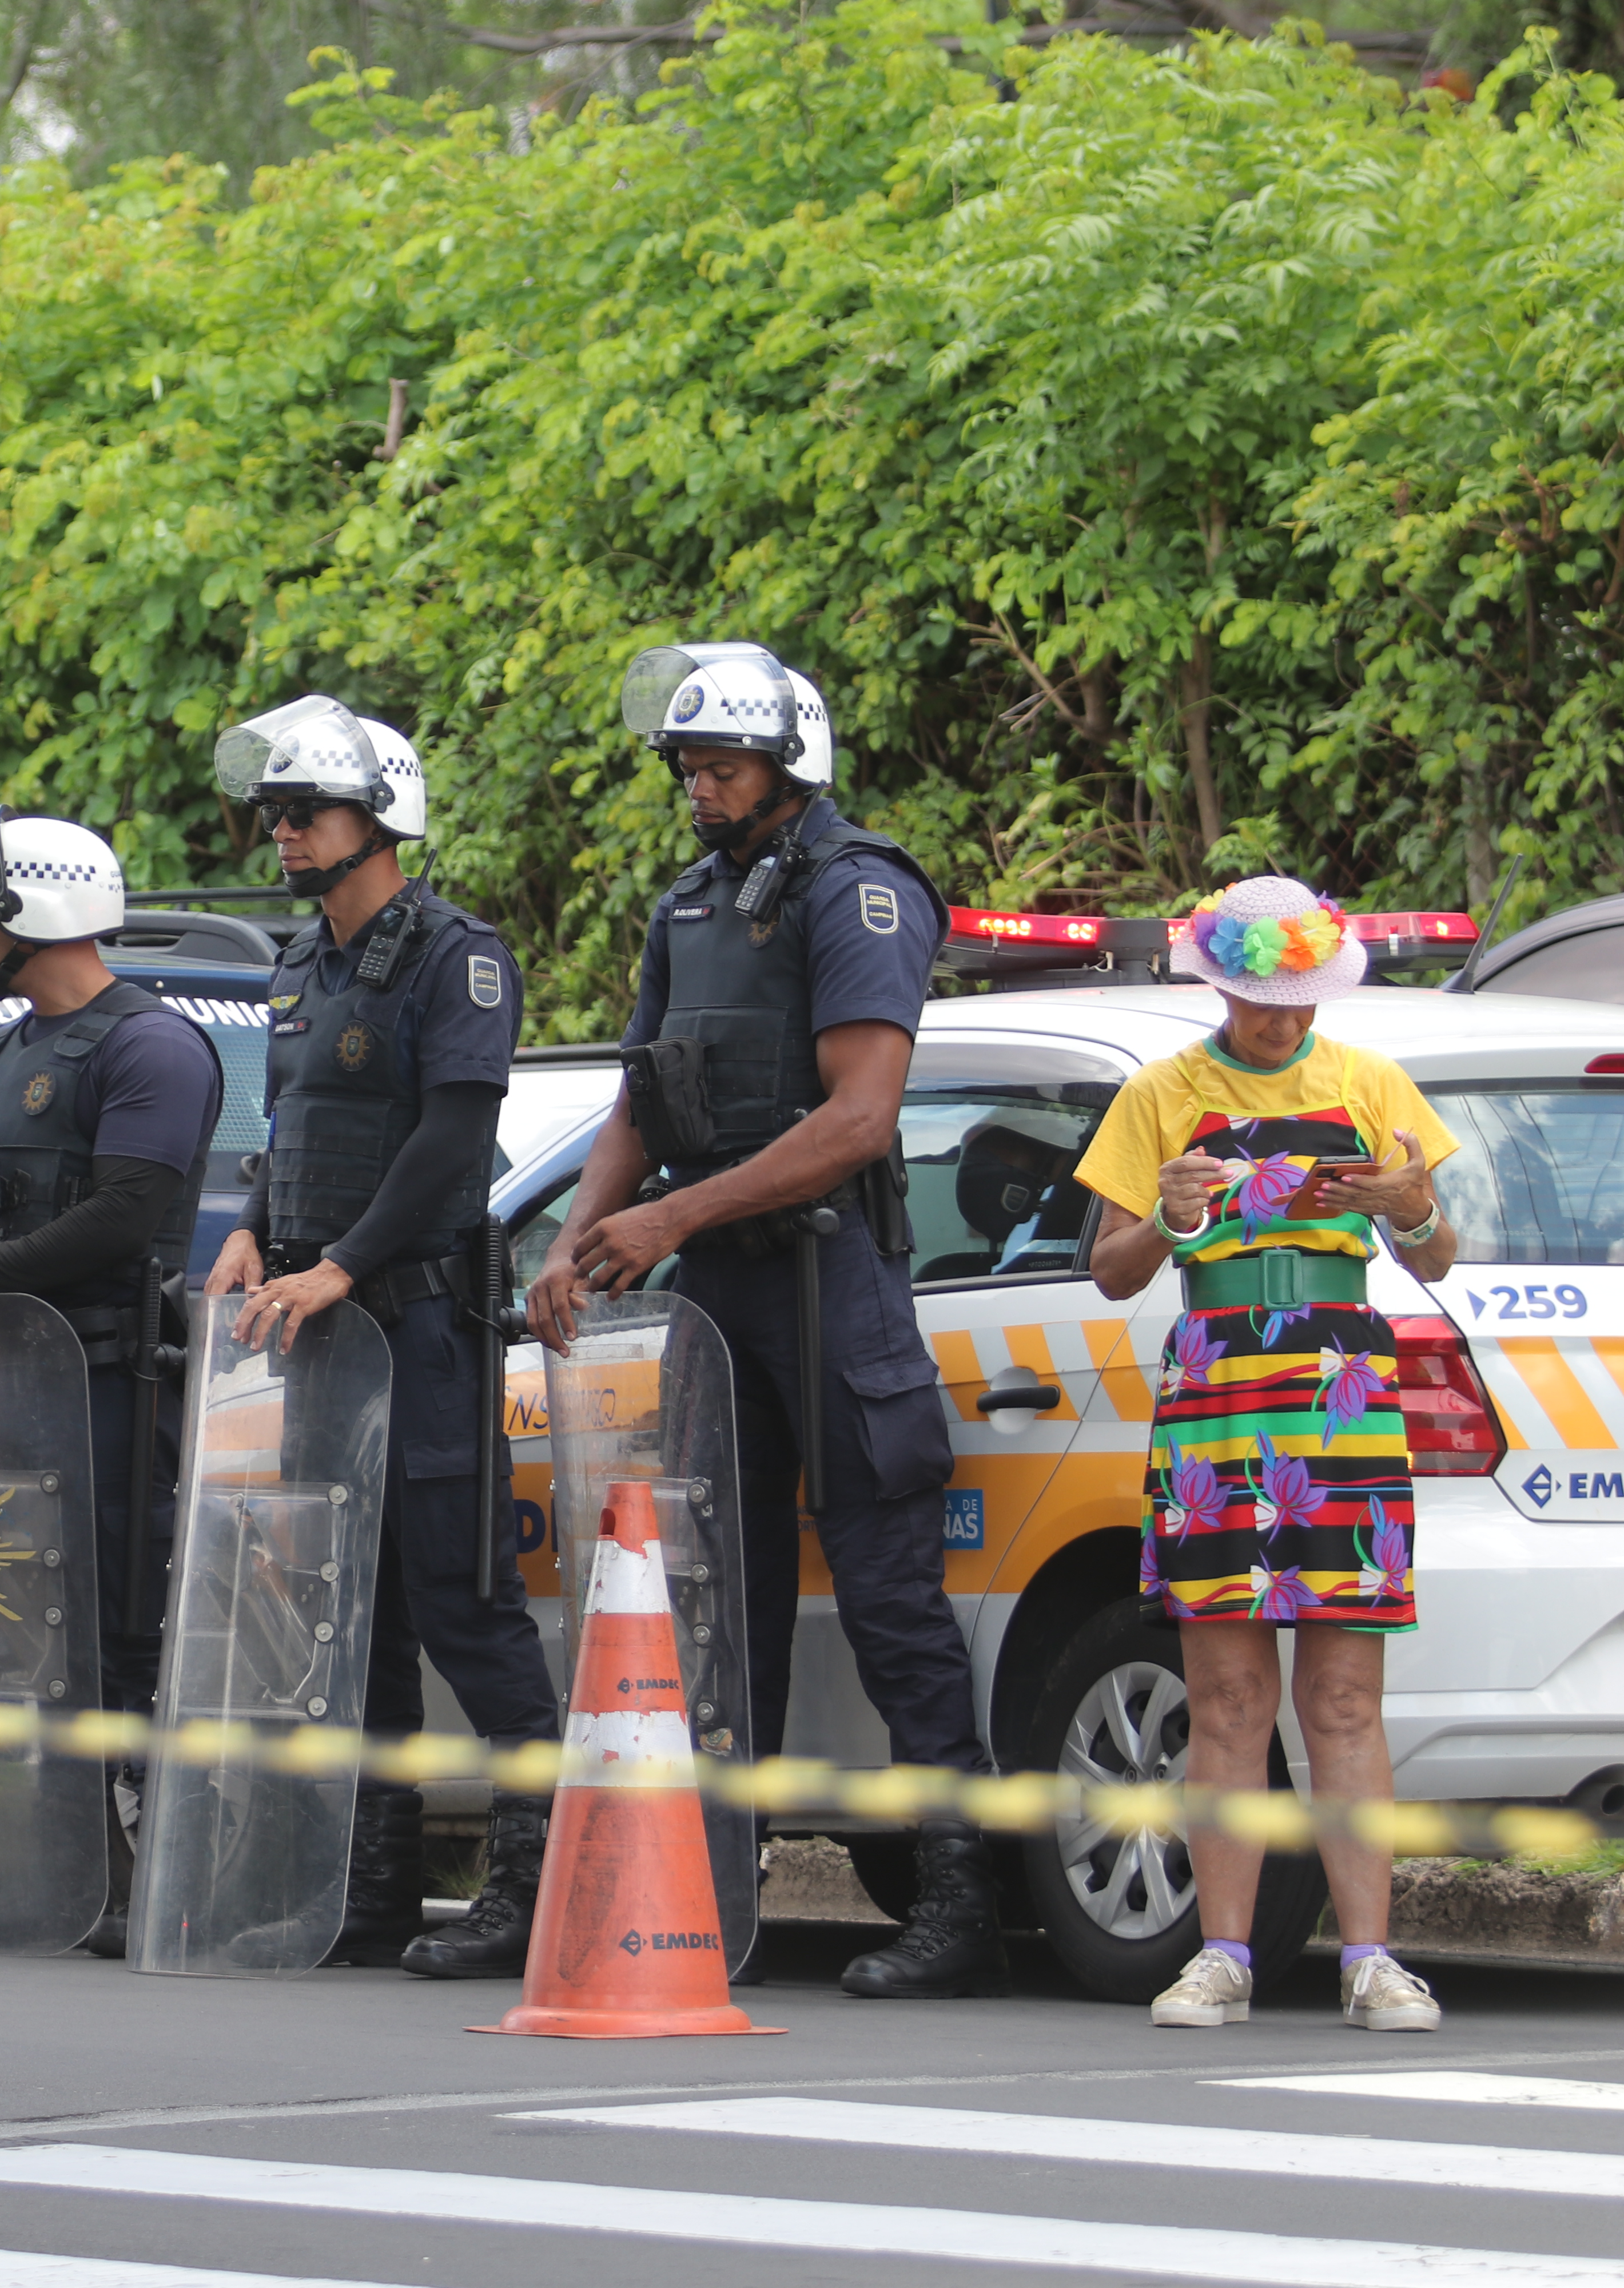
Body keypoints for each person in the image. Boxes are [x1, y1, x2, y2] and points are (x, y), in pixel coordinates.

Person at [525, 641, 1008, 2000]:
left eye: (724, 767)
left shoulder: (858, 890)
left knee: (890, 1599)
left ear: (791, 767)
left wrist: (667, 1221)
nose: (700, 788)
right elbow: (641, 1100)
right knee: (714, 1605)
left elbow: (859, 1117)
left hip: (828, 1276)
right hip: (723, 1292)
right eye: (687, 767)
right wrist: (573, 1237)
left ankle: (961, 1898)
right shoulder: (690, 902)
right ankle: (714, 1889)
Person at [198, 698, 564, 1975]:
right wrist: (252, 1230)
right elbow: (294, 1128)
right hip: (325, 1343)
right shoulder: (299, 963)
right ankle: (375, 1886)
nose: (284, 832)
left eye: (308, 811)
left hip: (422, 1334)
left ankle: (530, 1888)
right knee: (348, 1618)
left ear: (381, 818)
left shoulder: (457, 957)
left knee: (466, 1606)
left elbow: (451, 1141)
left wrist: (344, 1265)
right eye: (276, 813)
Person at [1078, 875, 1455, 2033]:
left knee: (1343, 1696)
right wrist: (1172, 1218)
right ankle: (1223, 1956)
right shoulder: (1161, 1092)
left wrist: (1406, 1205)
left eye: (1298, 1001)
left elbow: (1438, 1254)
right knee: (1228, 1693)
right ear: (1221, 987)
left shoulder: (1369, 1082)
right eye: (1258, 1000)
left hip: (1343, 1388)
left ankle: (1372, 1960)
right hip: (1218, 1384)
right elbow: (1112, 1270)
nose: (1279, 1021)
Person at [0, 806, 224, 1956]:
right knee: (19, 1634)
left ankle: (158, 1874)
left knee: (121, 1628)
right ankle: (51, 1870)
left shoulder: (150, 1047)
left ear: (39, 912)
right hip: (3, 1392)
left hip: (114, 1383)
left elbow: (121, 1217)